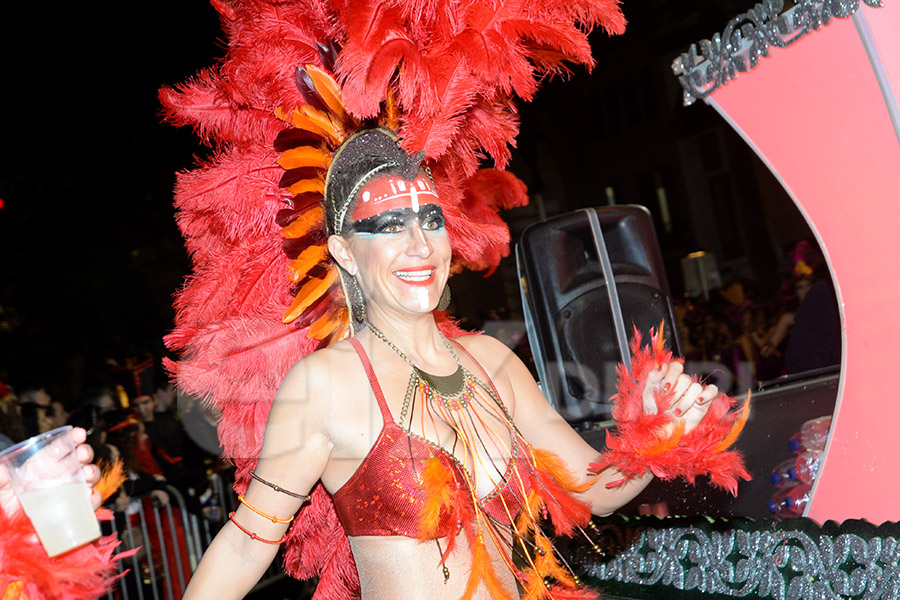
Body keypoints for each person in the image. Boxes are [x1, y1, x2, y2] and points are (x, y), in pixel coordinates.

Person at [182, 129, 748, 599]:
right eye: (386, 227)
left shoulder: (492, 361)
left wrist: (654, 439)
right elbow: (244, 543)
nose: (419, 245)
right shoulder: (328, 383)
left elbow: (593, 489)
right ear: (344, 253)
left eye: (429, 220)